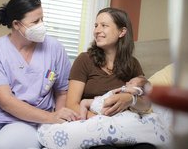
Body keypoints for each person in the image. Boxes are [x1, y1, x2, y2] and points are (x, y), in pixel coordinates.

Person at [0, 0, 78, 149]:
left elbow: (62, 92)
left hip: (32, 119)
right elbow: (5, 101)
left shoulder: (54, 48)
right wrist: (51, 117)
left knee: (1, 146)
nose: (41, 25)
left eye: (42, 19)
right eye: (35, 21)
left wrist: (55, 121)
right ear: (16, 24)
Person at [37, 8, 169, 149]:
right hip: (94, 124)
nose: (97, 30)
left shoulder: (132, 64)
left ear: (122, 32)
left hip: (126, 126)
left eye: (104, 25)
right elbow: (72, 105)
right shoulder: (84, 60)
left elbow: (146, 104)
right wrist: (101, 122)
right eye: (96, 25)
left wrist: (131, 99)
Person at [79, 76, 149, 120]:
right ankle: (82, 118)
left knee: (106, 112)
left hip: (107, 107)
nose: (127, 82)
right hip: (100, 100)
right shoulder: (125, 89)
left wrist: (123, 90)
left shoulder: (134, 91)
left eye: (130, 83)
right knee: (83, 102)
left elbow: (136, 91)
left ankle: (98, 119)